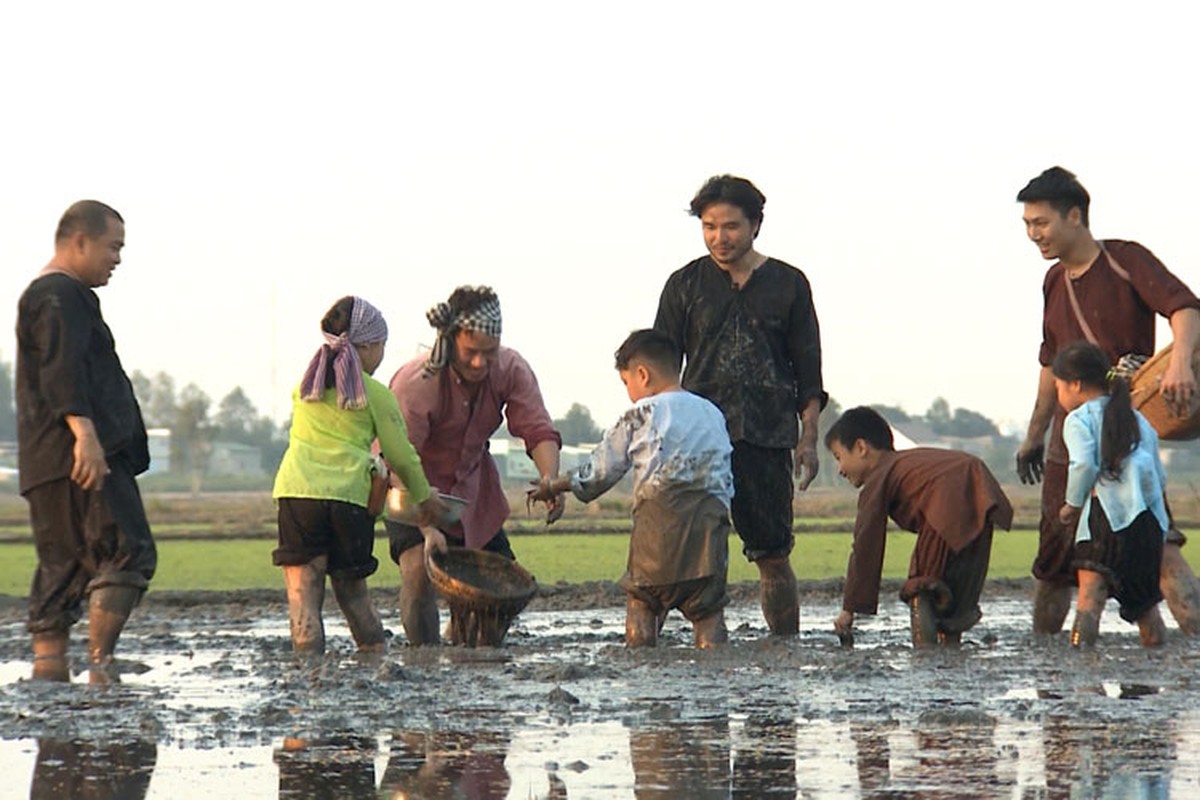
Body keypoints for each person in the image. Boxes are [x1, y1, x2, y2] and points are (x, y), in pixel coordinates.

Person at [1015, 166, 1200, 635]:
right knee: (1056, 562)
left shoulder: (1125, 260)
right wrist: (1033, 436)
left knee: (1157, 547)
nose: (1034, 234)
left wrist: (1180, 362)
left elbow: (1185, 307)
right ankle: (1050, 676)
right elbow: (1049, 365)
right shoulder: (1053, 282)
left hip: (1123, 430)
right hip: (1068, 439)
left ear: (1074, 216)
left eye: (1041, 223)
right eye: (1028, 225)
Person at [654, 174, 827, 636]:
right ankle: (702, 651)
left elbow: (808, 374)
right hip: (698, 441)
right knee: (688, 554)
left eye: (730, 226)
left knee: (773, 554)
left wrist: (808, 440)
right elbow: (660, 370)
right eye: (709, 226)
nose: (719, 237)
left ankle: (785, 649)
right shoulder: (684, 285)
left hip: (767, 436)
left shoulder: (788, 284)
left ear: (755, 225)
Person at [16, 200, 155, 683]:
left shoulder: (47, 297)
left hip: (45, 463)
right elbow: (63, 368)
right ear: (79, 241)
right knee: (126, 550)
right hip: (80, 458)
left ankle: (48, 671)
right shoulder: (60, 296)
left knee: (63, 569)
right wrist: (87, 437)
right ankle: (102, 666)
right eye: (112, 246)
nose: (117, 258)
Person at [528, 329, 734, 649]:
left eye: (627, 383)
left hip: (660, 528)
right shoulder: (712, 413)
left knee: (643, 600)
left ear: (642, 374)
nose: (629, 392)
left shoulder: (641, 414)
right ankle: (714, 669)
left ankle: (640, 665)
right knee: (708, 612)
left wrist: (556, 485)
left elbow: (598, 473)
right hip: (710, 530)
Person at [386, 286, 564, 645]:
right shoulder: (416, 383)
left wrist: (550, 479)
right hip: (412, 490)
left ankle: (467, 653)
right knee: (419, 571)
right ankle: (424, 656)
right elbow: (400, 458)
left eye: (489, 353)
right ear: (451, 341)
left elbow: (537, 428)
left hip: (474, 495)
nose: (481, 363)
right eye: (471, 353)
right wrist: (427, 526)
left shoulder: (511, 368)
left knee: (500, 595)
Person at [272, 296, 446, 655]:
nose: (382, 354)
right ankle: (372, 668)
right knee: (353, 595)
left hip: (298, 494)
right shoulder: (376, 394)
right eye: (381, 346)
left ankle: (308, 684)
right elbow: (400, 455)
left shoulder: (305, 388)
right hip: (349, 500)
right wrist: (424, 498)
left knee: (303, 597)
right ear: (367, 347)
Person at [825, 407, 1013, 648]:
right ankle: (950, 654)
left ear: (861, 448)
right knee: (955, 600)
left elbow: (865, 545)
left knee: (922, 588)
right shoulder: (908, 463)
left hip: (946, 502)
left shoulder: (881, 475)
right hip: (981, 503)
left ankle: (924, 659)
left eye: (839, 457)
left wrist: (849, 609)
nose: (840, 469)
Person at [1052, 341, 1169, 647]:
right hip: (1147, 523)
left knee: (1090, 599)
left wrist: (1071, 504)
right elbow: (1159, 474)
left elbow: (1083, 465)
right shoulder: (1138, 419)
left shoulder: (1078, 419)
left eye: (1059, 387)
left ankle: (1084, 677)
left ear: (1075, 384)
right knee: (1146, 608)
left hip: (1104, 518)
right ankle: (1153, 679)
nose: (1059, 395)